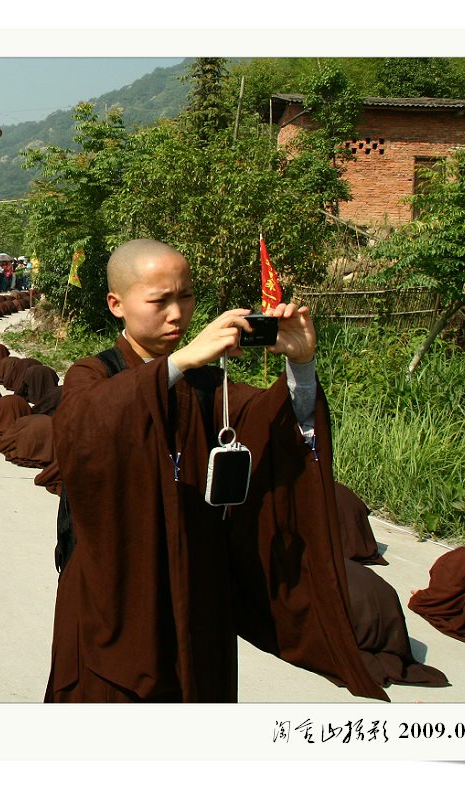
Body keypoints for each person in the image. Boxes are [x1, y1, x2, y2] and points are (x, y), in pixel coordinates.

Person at [45, 238, 388, 703]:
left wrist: (300, 367)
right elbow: (84, 432)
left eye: (185, 296)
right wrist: (180, 361)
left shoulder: (209, 385)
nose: (176, 314)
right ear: (116, 304)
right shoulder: (94, 374)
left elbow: (272, 428)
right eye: (158, 300)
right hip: (117, 585)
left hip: (198, 581)